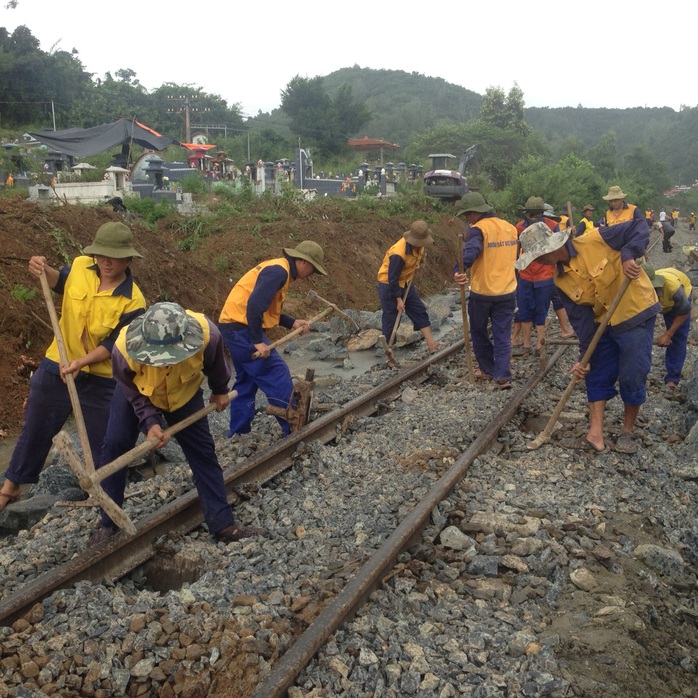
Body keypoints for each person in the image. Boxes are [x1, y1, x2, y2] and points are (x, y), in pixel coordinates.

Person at [0, 222, 147, 511]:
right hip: (59, 362)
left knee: (105, 439)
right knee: (37, 425)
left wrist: (82, 362)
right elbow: (61, 282)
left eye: (113, 257)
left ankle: (106, 496)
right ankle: (11, 487)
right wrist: (43, 269)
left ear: (128, 260)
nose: (105, 261)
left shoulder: (134, 301)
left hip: (100, 377)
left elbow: (113, 344)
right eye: (101, 255)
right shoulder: (81, 266)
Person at [90, 302, 263, 545]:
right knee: (115, 445)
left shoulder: (207, 334)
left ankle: (223, 525)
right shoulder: (123, 349)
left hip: (184, 393)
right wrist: (150, 422)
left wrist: (220, 390)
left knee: (203, 452)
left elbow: (216, 364)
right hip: (139, 393)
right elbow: (129, 389)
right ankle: (107, 522)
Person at [515, 218, 660, 455]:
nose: (537, 261)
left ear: (552, 246)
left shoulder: (596, 239)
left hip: (635, 311)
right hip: (604, 322)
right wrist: (585, 358)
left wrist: (628, 256)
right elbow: (582, 323)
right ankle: (595, 436)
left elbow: (639, 227)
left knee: (633, 373)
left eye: (538, 255)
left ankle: (627, 430)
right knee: (595, 373)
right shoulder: (559, 280)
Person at [219, 241, 327, 437]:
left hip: (233, 327)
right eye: (312, 269)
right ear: (303, 262)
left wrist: (292, 322)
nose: (311, 275)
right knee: (276, 372)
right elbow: (253, 306)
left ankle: (238, 433)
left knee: (246, 381)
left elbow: (266, 309)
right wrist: (256, 341)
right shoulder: (278, 272)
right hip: (242, 330)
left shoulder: (278, 269)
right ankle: (295, 428)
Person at [453, 192, 518, 388]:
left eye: (467, 215)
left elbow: (470, 252)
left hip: (484, 293)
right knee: (502, 333)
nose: (467, 219)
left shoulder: (478, 229)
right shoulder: (511, 228)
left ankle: (487, 369)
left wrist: (459, 270)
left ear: (474, 214)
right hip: (508, 291)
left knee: (479, 331)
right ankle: (503, 375)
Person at [377, 221, 442, 362]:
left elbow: (414, 260)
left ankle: (432, 344)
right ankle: (389, 355)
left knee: (418, 309)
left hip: (406, 282)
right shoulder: (398, 254)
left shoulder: (419, 247)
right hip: (389, 285)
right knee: (392, 318)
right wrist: (399, 300)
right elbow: (392, 278)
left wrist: (415, 265)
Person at [512, 197, 560, 355]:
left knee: (541, 310)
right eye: (531, 215)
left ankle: (540, 345)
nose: (533, 218)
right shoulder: (519, 227)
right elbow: (516, 250)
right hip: (525, 274)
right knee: (525, 310)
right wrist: (515, 270)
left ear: (542, 214)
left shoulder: (552, 226)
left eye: (536, 215)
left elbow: (559, 249)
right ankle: (526, 345)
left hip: (544, 274)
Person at [642, 265, 692, 390]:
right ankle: (640, 373)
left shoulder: (673, 288)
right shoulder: (637, 290)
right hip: (654, 303)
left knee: (677, 337)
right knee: (643, 335)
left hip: (675, 302)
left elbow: (684, 312)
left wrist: (668, 334)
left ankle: (673, 378)